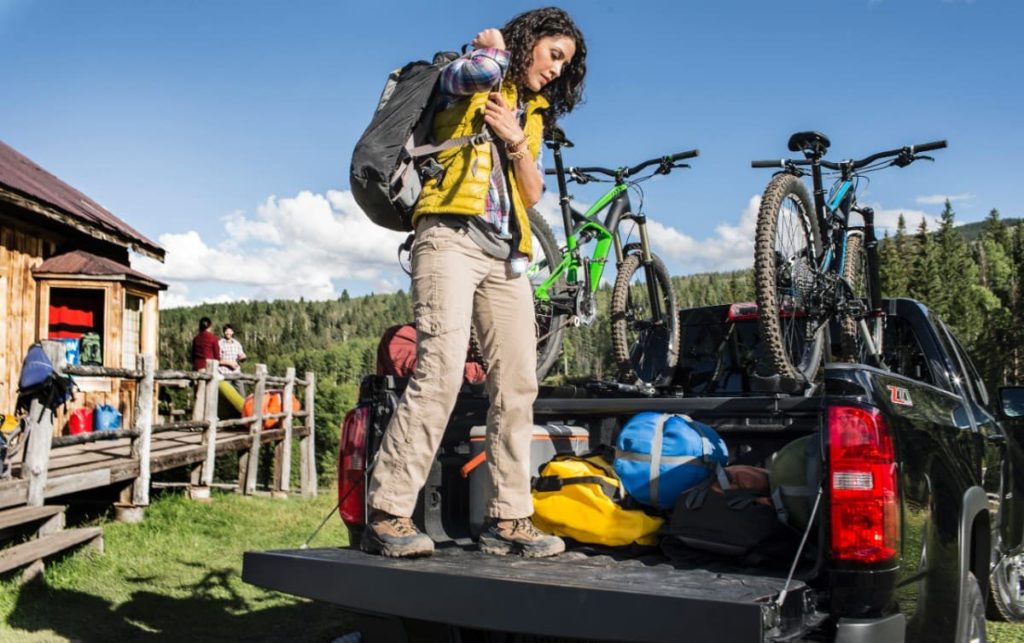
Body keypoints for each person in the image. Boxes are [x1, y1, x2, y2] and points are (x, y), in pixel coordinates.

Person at [363, 7, 587, 559]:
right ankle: (388, 512)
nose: (557, 70)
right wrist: (494, 50)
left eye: (567, 64)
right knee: (438, 371)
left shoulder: (532, 113)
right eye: (554, 55)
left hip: (507, 255)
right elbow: (467, 77)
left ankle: (508, 520)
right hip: (449, 238)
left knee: (517, 383)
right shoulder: (473, 74)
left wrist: (514, 137)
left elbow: (530, 194)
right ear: (530, 44)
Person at [218, 324, 247, 395]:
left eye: (229, 331)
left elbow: (242, 356)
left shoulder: (237, 344)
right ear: (224, 332)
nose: (228, 333)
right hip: (225, 373)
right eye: (226, 331)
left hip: (236, 373)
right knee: (227, 396)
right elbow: (218, 360)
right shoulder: (220, 343)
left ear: (232, 332)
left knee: (242, 394)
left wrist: (243, 357)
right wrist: (229, 363)